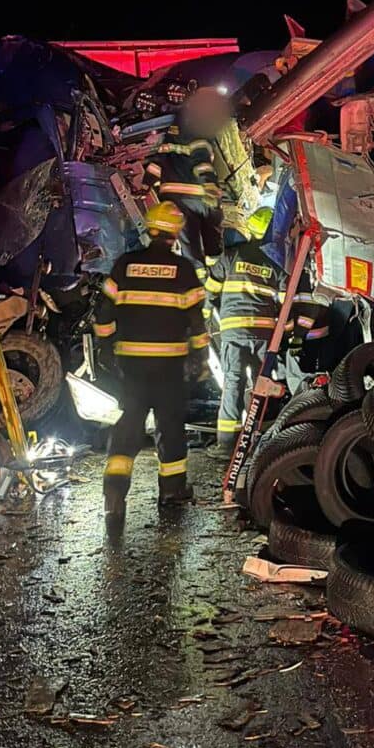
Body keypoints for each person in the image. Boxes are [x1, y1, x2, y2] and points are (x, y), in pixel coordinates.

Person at [94, 202, 209, 529]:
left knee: (127, 427)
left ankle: (114, 494)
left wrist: (105, 348)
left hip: (131, 367)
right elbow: (196, 322)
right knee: (170, 428)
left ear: (150, 228)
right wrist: (200, 358)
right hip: (170, 368)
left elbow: (104, 314)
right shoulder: (183, 270)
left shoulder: (125, 265)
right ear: (174, 234)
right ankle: (172, 492)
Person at [204, 207, 286, 452]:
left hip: (234, 332)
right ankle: (263, 438)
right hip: (265, 334)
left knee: (233, 383)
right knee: (264, 384)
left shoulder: (232, 255)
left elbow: (211, 288)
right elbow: (284, 300)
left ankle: (227, 443)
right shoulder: (276, 263)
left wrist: (206, 317)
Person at [144, 90, 227, 274]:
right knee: (212, 234)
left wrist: (145, 184)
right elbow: (202, 162)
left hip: (176, 197)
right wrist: (210, 186)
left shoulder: (172, 132)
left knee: (189, 242)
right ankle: (214, 268)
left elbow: (159, 161)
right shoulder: (200, 130)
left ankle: (199, 274)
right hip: (199, 195)